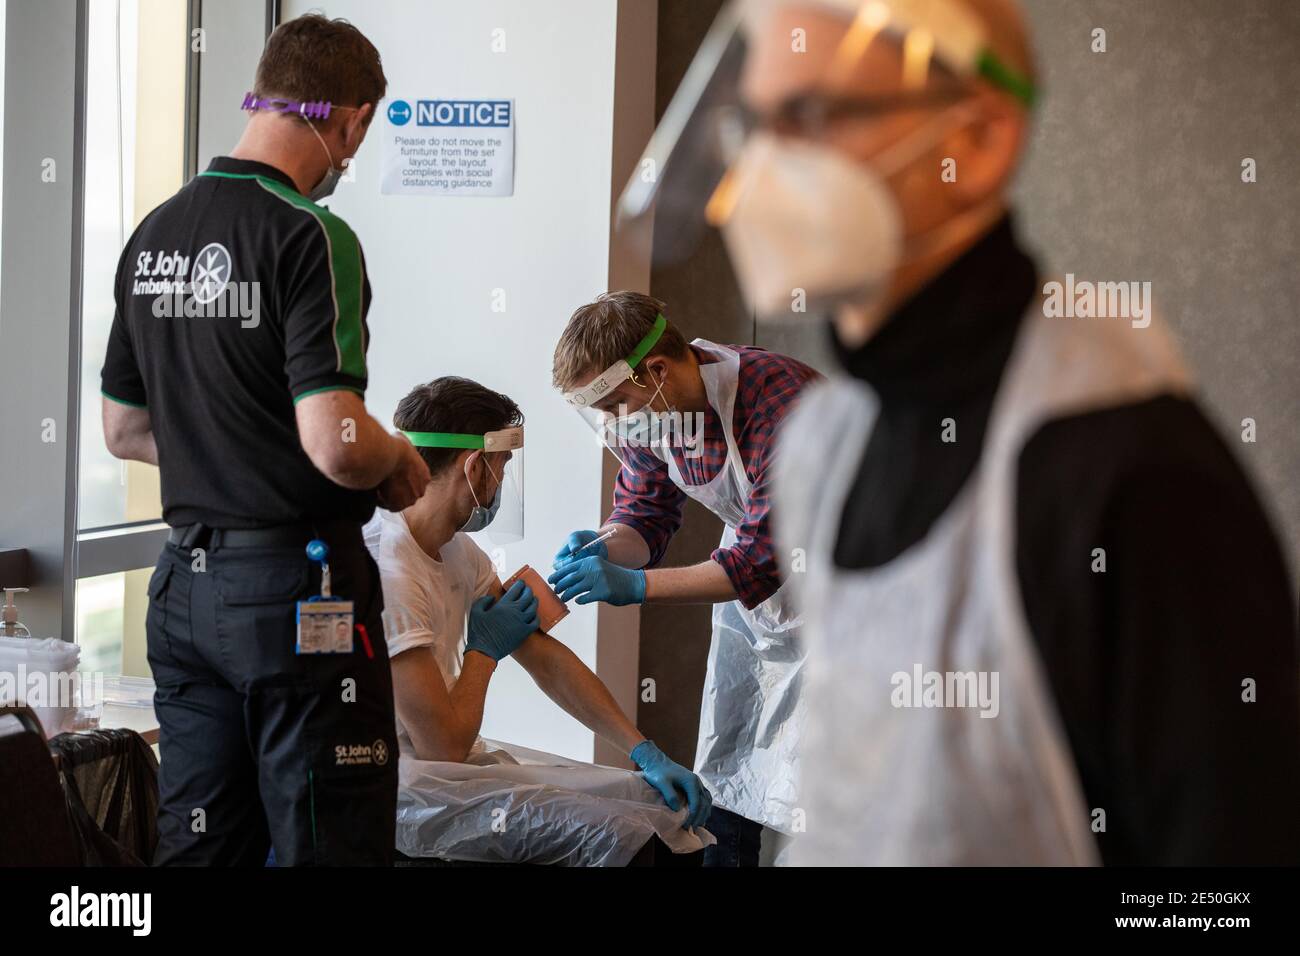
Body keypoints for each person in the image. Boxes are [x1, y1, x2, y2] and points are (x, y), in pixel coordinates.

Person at [623, 0, 1300, 864]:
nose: (757, 173)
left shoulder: (1127, 468)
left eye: (811, 117)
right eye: (749, 127)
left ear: (975, 141)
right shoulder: (834, 442)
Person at [100, 15, 429, 865]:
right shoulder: (311, 236)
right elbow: (340, 443)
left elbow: (124, 429)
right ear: (351, 119)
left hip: (182, 595)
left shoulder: (154, 235)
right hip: (295, 593)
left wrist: (229, 452)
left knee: (204, 846)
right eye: (357, 138)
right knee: (329, 839)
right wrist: (397, 456)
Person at [366, 376, 710, 831]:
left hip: (437, 776)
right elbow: (442, 748)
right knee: (615, 830)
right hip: (390, 791)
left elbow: (542, 656)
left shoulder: (458, 552)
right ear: (475, 468)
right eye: (502, 466)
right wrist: (483, 654)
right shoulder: (388, 571)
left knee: (642, 803)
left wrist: (642, 751)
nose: (503, 482)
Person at [548, 291, 820, 865]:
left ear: (657, 371)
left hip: (847, 593)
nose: (613, 424)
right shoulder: (655, 414)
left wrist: (636, 588)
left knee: (843, 787)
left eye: (616, 404)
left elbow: (757, 561)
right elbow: (644, 520)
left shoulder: (783, 406)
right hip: (759, 606)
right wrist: (606, 547)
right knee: (732, 772)